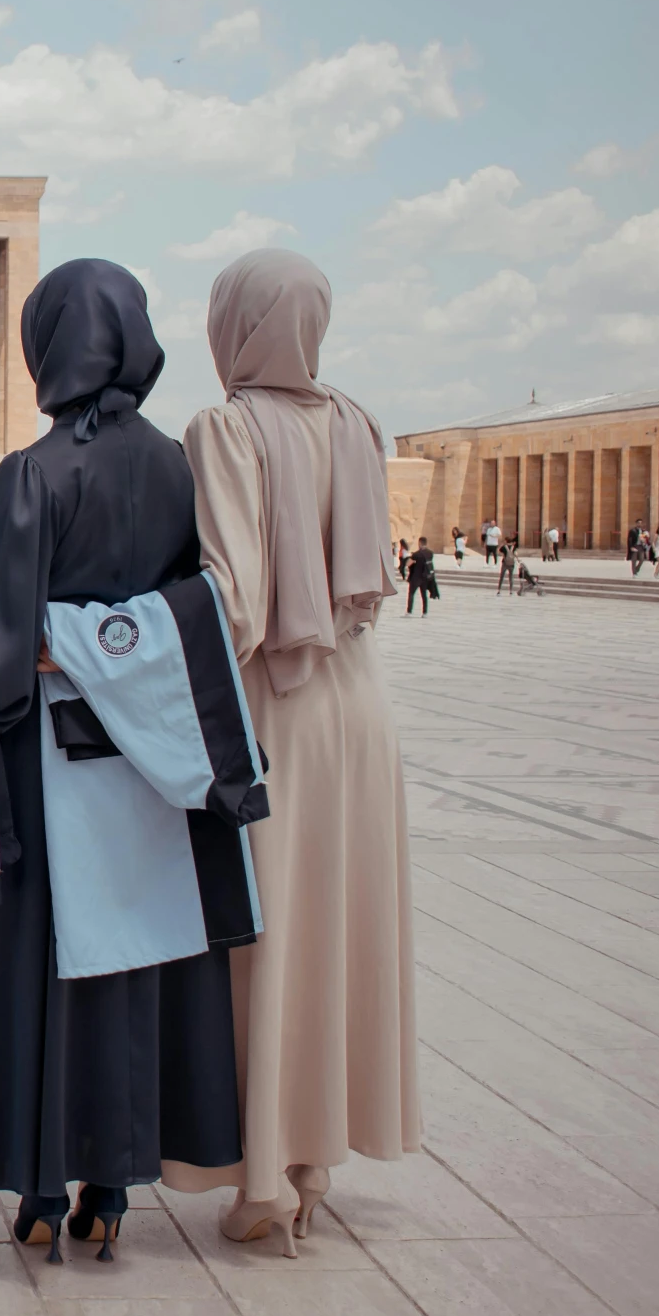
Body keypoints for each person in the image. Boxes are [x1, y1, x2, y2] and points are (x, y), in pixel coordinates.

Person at [0, 259, 243, 1260]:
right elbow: (196, 596)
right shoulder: (174, 462)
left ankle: (40, 1177)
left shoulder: (31, 473)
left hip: (50, 752)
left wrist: (52, 648)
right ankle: (112, 1185)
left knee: (50, 955)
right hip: (150, 753)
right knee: (133, 953)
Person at [168, 249, 417, 1250]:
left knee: (265, 938)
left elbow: (232, 602)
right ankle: (313, 1159)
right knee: (337, 927)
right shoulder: (357, 422)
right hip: (360, 705)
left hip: (275, 704)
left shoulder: (222, 429)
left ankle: (263, 1181)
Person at [406, 538, 438, 613]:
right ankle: (425, 612)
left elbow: (408, 564)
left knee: (411, 594)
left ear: (420, 543)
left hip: (416, 577)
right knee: (424, 595)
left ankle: (409, 611)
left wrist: (413, 561)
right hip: (425, 577)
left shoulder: (416, 554)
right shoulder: (430, 553)